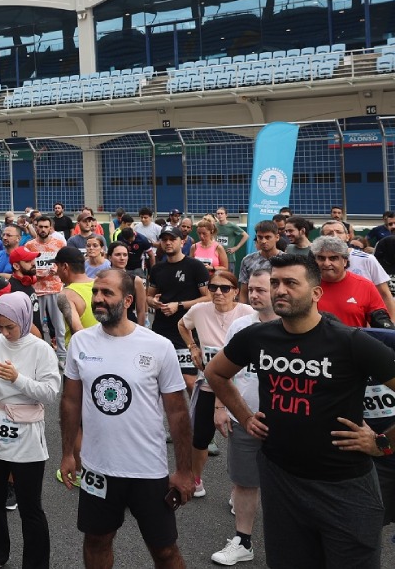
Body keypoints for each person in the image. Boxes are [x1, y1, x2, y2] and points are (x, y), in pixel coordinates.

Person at [206, 253, 395, 569]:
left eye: (291, 283)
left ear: (316, 293)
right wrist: (246, 416)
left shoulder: (350, 342)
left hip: (344, 487)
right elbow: (215, 373)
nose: (280, 290)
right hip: (281, 481)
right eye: (275, 282)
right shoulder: (256, 336)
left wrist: (381, 444)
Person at [60, 268, 196, 569]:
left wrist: (185, 471)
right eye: (96, 292)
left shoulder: (158, 346)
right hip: (98, 469)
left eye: (107, 293)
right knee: (96, 542)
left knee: (164, 551)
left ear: (129, 300)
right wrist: (68, 452)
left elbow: (177, 412)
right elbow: (70, 401)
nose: (98, 299)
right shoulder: (80, 343)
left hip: (147, 470)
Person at [0, 291, 60, 569]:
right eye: (0, 326)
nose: (5, 332)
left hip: (25, 432)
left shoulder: (40, 349)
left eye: (10, 326)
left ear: (24, 319)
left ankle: (35, 563)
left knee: (30, 505)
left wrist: (18, 379)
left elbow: (50, 392)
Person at [203, 268, 277, 566]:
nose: (256, 295)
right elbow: (224, 372)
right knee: (244, 482)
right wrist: (221, 408)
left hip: (290, 422)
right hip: (245, 418)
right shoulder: (241, 327)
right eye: (253, 290)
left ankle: (294, 542)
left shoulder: (296, 328)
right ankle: (243, 540)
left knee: (289, 485)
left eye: (263, 290)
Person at [176, 269, 252, 500]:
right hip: (209, 382)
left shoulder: (247, 313)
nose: (218, 292)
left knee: (241, 438)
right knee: (200, 436)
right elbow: (182, 324)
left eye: (225, 288)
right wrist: (193, 347)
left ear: (236, 292)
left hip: (241, 386)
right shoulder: (199, 310)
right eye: (213, 287)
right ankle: (195, 478)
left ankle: (239, 490)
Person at [147, 225, 211, 389]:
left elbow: (208, 297)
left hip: (186, 329)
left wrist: (180, 305)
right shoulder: (157, 269)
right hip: (161, 329)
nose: (168, 243)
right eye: (164, 239)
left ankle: (195, 414)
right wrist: (153, 302)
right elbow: (149, 296)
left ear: (182, 242)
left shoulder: (195, 266)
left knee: (189, 380)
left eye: (172, 239)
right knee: (157, 379)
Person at [311, 235, 391, 328]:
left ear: (345, 261)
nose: (326, 263)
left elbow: (381, 323)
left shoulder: (365, 286)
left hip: (352, 341)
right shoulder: (305, 285)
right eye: (321, 258)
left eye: (333, 258)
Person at [25, 216, 66, 353]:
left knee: (59, 325)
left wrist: (58, 269)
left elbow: (65, 263)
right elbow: (25, 267)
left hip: (55, 289)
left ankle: (62, 354)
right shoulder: (29, 246)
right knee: (41, 325)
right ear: (36, 227)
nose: (43, 229)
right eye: (40, 227)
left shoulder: (59, 244)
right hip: (37, 290)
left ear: (50, 228)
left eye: (45, 227)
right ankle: (45, 352)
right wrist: (35, 273)